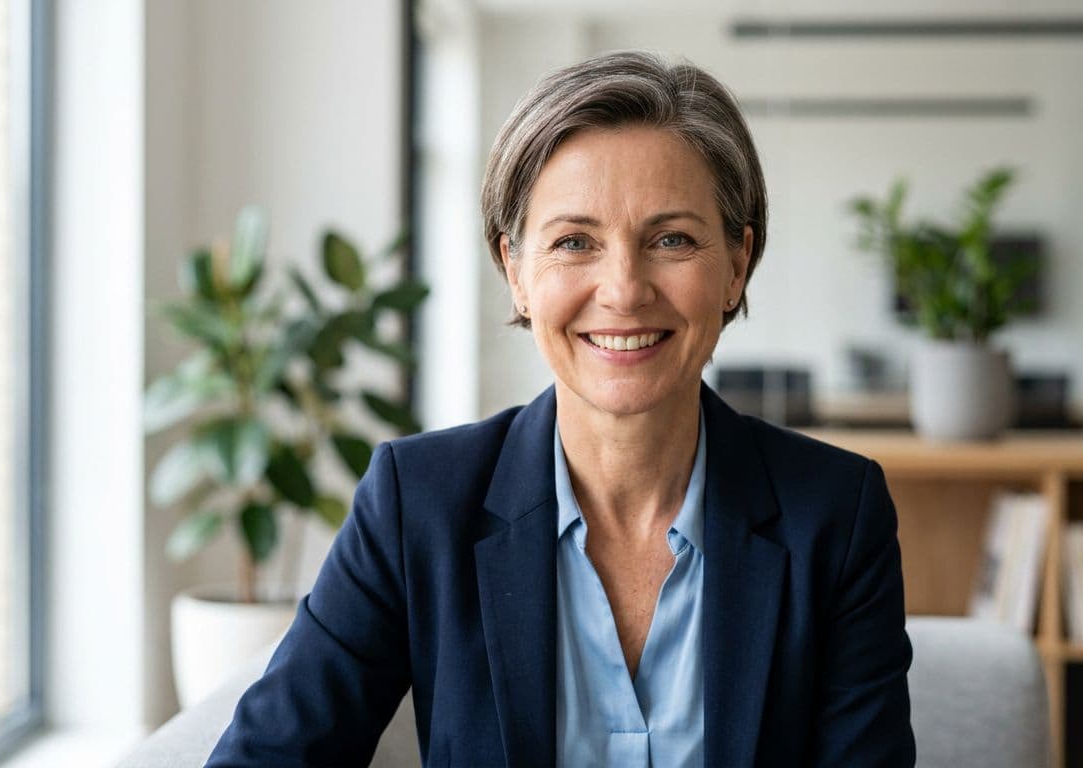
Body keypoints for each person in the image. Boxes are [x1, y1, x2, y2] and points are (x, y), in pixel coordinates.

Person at [207, 50, 913, 767]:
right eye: (575, 242)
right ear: (515, 271)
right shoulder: (414, 503)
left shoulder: (836, 515)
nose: (623, 288)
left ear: (736, 265)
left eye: (671, 239)